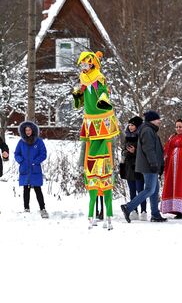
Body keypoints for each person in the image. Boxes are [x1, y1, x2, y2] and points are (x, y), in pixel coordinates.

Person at [72, 51, 120, 230]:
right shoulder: (83, 78)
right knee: (92, 147)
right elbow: (81, 97)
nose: (84, 67)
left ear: (92, 63)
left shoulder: (99, 76)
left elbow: (103, 89)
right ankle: (95, 215)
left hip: (102, 116)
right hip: (90, 117)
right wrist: (77, 96)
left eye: (86, 64)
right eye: (82, 64)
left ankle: (106, 215)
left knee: (103, 145)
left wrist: (103, 98)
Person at [120, 110, 168, 223]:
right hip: (149, 166)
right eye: (157, 119)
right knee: (149, 190)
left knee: (154, 190)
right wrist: (154, 164)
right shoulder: (147, 131)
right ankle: (128, 207)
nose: (159, 121)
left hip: (152, 165)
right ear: (152, 120)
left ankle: (155, 214)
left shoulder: (150, 130)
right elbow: (149, 149)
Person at [14, 121, 48, 218]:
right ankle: (26, 208)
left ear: (33, 130)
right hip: (25, 168)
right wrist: (21, 161)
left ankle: (42, 208)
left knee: (37, 189)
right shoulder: (21, 142)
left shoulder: (39, 141)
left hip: (35, 169)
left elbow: (43, 154)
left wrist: (36, 162)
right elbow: (17, 154)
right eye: (26, 130)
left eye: (29, 130)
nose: (28, 132)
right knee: (26, 189)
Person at [121, 116, 147, 221]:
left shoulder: (142, 136)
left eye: (133, 125)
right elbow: (123, 151)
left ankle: (144, 211)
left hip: (138, 166)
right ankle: (134, 210)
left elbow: (144, 151)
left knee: (140, 190)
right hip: (128, 167)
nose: (130, 127)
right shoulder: (127, 136)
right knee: (131, 190)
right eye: (129, 125)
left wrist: (135, 151)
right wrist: (126, 152)